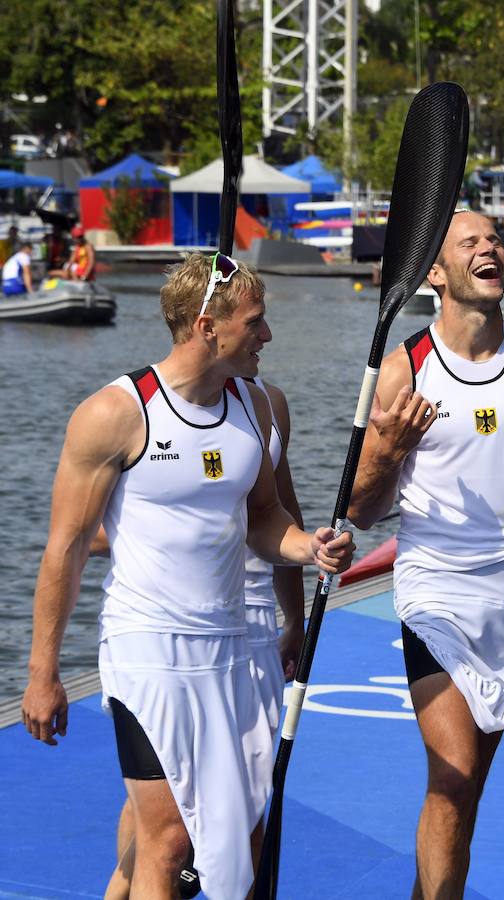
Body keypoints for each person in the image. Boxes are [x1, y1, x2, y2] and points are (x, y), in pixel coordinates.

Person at [21, 251, 354, 900]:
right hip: (147, 651)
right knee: (168, 841)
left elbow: (265, 517)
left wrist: (305, 547)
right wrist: (43, 673)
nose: (267, 336)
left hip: (233, 651)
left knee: (240, 847)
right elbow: (63, 549)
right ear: (208, 328)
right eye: (255, 322)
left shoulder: (254, 411)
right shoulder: (114, 414)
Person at [347, 211, 504, 900]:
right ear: (435, 273)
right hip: (435, 593)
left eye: (495, 241)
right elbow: (361, 511)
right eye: (471, 242)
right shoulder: (404, 370)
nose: (490, 248)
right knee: (451, 775)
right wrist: (387, 452)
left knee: (466, 795)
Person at [96, 374, 306, 899]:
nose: (265, 333)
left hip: (255, 626)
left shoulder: (268, 402)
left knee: (251, 811)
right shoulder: (143, 411)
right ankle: (120, 889)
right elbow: (97, 532)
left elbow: (284, 511)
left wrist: (295, 621)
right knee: (160, 818)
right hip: (175, 628)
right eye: (254, 318)